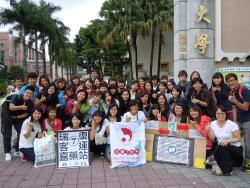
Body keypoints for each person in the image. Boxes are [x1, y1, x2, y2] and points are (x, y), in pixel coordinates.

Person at [208, 106, 243, 175]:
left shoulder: (232, 124)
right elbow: (212, 139)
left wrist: (228, 141)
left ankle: (227, 170)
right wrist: (209, 130)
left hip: (235, 149)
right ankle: (223, 168)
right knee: (221, 145)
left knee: (222, 145)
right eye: (218, 113)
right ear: (215, 114)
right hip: (222, 148)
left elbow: (238, 138)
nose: (220, 115)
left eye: (222, 113)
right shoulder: (212, 124)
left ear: (226, 114)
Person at [226, 73, 250, 172]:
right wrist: (235, 121)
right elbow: (234, 107)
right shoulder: (232, 91)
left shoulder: (244, 90)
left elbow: (245, 107)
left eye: (232, 80)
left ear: (236, 80)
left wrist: (235, 100)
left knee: (248, 143)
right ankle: (238, 160)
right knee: (235, 140)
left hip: (248, 120)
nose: (230, 83)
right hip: (238, 121)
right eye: (228, 81)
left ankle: (248, 163)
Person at [9, 85, 35, 157]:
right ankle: (7, 151)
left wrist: (20, 116)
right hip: (9, 117)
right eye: (27, 92)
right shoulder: (17, 96)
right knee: (7, 134)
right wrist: (21, 107)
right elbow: (11, 107)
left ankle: (17, 149)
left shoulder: (31, 102)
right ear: (24, 92)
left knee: (20, 132)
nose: (28, 95)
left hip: (20, 119)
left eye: (31, 94)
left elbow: (28, 113)